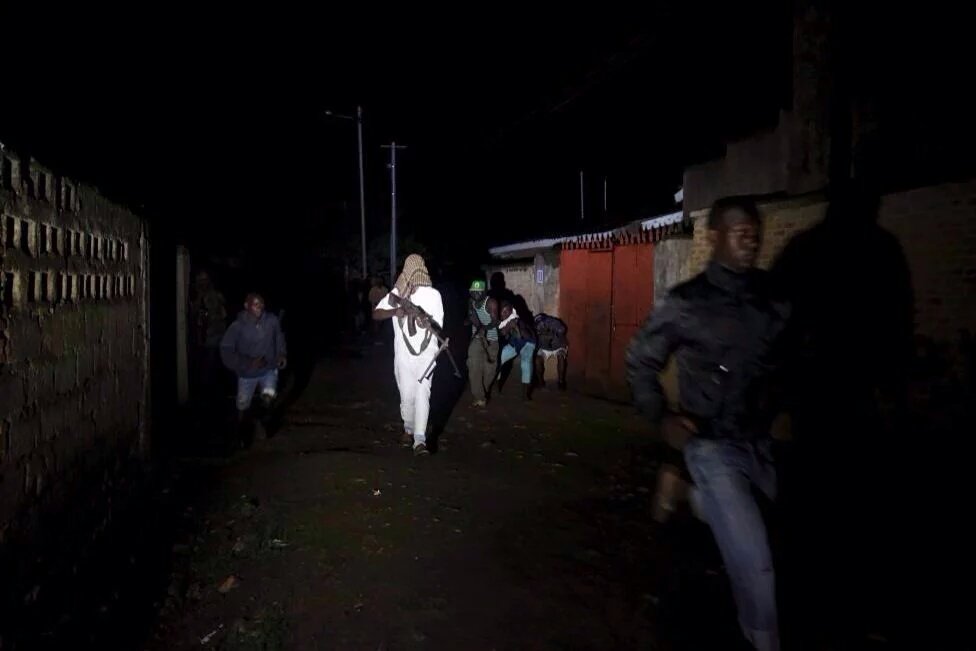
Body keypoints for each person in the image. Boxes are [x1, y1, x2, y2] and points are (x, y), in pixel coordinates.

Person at [626, 196, 789, 651]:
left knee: (775, 538)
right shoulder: (687, 303)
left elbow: (794, 359)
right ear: (714, 237)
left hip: (761, 443)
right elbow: (641, 361)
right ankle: (764, 639)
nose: (751, 240)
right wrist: (662, 417)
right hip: (709, 443)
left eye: (755, 232)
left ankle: (687, 491)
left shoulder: (774, 299)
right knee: (755, 560)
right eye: (740, 232)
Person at [372, 254, 444, 456]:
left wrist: (426, 321)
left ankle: (419, 440)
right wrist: (394, 312)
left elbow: (439, 327)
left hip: (426, 354)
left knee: (423, 393)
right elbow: (376, 314)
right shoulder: (397, 293)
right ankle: (408, 428)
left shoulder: (433, 295)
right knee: (406, 396)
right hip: (403, 356)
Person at [220, 293, 287, 442]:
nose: (260, 307)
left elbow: (279, 337)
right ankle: (242, 433)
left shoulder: (271, 320)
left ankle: (261, 422)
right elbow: (226, 350)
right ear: (247, 306)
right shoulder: (237, 327)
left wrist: (281, 354)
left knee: (268, 397)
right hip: (247, 374)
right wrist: (248, 362)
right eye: (256, 304)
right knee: (243, 405)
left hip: (268, 369)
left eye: (261, 304)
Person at [189, 270, 227, 400]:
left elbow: (222, 316)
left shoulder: (216, 296)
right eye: (200, 281)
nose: (202, 284)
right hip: (202, 340)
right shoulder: (196, 298)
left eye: (204, 280)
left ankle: (212, 395)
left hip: (215, 338)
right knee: (204, 369)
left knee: (212, 369)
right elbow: (193, 316)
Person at [465, 279, 500, 408]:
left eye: (479, 292)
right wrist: (470, 321)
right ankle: (479, 397)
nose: (476, 294)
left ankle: (482, 394)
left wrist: (484, 328)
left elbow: (495, 322)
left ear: (484, 292)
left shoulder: (491, 302)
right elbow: (472, 316)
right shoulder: (471, 301)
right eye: (473, 291)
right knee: (473, 365)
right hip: (477, 338)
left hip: (491, 340)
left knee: (489, 370)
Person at [497, 300, 537, 400]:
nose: (503, 314)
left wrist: (513, 328)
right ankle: (496, 388)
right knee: (499, 358)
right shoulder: (502, 320)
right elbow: (504, 334)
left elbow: (519, 335)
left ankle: (526, 394)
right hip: (515, 343)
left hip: (527, 342)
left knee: (525, 363)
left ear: (511, 311)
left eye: (506, 311)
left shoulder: (515, 319)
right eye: (502, 311)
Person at [533, 313, 568, 390]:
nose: (540, 326)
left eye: (542, 324)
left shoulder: (555, 323)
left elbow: (562, 330)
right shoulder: (536, 328)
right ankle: (540, 382)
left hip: (558, 346)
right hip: (544, 348)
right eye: (538, 325)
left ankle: (561, 382)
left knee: (561, 357)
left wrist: (551, 331)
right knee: (537, 360)